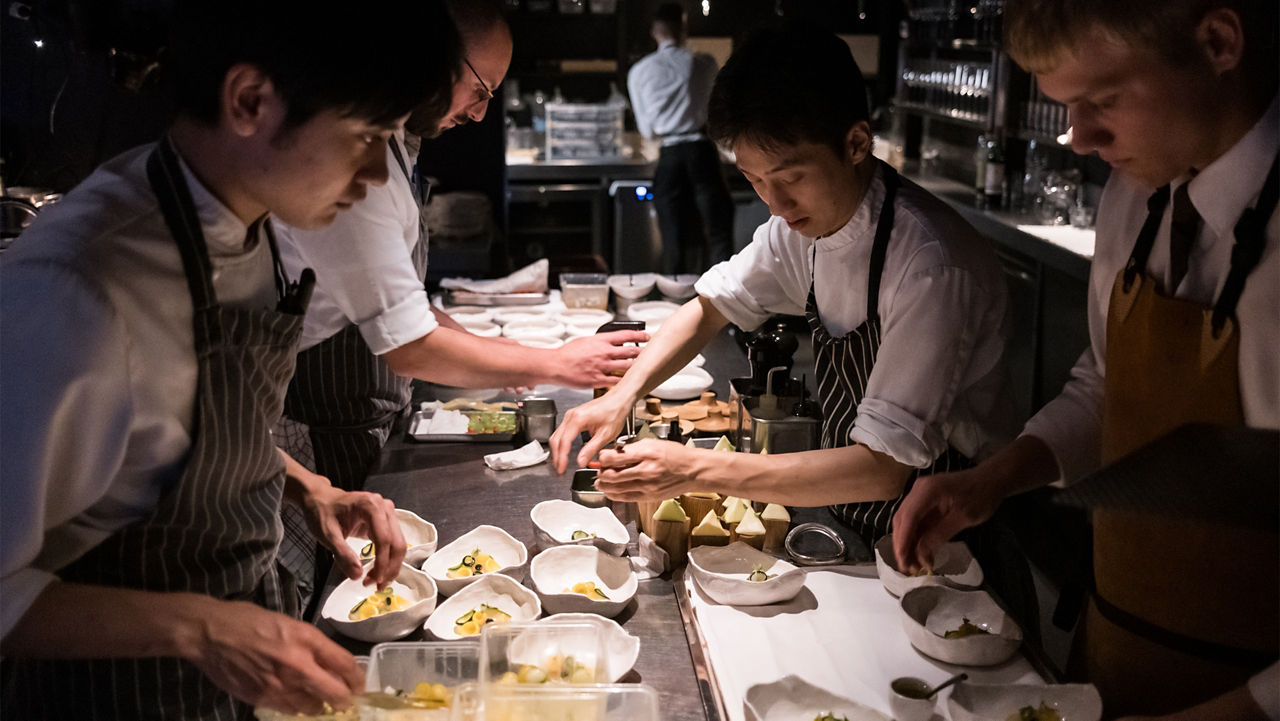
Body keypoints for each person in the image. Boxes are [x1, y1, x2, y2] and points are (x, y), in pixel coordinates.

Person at [0, 1, 460, 717]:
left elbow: (165, 427)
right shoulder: (81, 291)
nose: (376, 175)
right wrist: (205, 628)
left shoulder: (240, 220)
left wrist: (309, 488)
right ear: (250, 102)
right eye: (366, 136)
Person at [890, 1, 1278, 717]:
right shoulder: (1134, 200)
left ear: (1219, 42)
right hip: (1109, 646)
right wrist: (994, 480)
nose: (1079, 137)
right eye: (1067, 106)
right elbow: (1107, 388)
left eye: (1104, 100)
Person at [550, 25, 1017, 553]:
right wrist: (622, 395)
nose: (774, 203)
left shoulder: (929, 264)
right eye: (754, 180)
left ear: (857, 142)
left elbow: (883, 469)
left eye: (790, 177)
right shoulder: (807, 227)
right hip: (856, 520)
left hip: (949, 546)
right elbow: (709, 307)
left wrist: (695, 469)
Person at [274, 0, 647, 495]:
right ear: (432, 56)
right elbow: (408, 345)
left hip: (365, 406)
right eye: (480, 89)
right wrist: (556, 362)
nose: (480, 113)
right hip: (325, 417)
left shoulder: (397, 146)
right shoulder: (357, 159)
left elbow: (403, 304)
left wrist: (499, 351)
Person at [627, 2, 735, 274]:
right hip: (701, 152)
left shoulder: (639, 72)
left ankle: (673, 304)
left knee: (672, 237)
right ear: (684, 27)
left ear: (654, 32)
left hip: (670, 155)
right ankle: (723, 304)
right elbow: (717, 113)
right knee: (717, 231)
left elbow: (647, 130)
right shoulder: (705, 64)